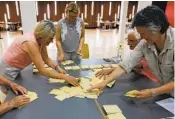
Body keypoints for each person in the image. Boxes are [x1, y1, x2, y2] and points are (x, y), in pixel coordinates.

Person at [88, 6, 174, 99]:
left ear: (157, 28)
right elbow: (126, 65)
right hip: (166, 93)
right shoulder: (145, 43)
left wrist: (153, 92)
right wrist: (104, 82)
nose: (141, 37)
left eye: (143, 34)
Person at [0, 20, 79, 86]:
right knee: (7, 91)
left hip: (18, 67)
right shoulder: (30, 43)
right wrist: (65, 77)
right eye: (50, 38)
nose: (51, 41)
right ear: (42, 36)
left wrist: (57, 68)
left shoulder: (41, 41)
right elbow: (42, 71)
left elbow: (46, 59)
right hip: (8, 68)